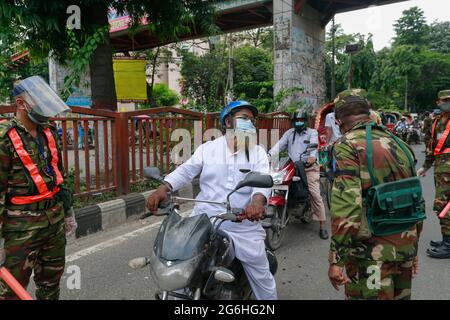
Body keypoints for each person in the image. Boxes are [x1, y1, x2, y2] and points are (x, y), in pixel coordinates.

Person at [146, 100, 277, 300]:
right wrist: (164, 187)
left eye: (252, 120)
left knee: (259, 269)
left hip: (241, 222)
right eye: (243, 118)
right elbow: (186, 170)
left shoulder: (257, 151)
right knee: (180, 268)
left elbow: (260, 181)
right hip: (203, 221)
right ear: (227, 122)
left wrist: (257, 202)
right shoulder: (208, 149)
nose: (249, 123)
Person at [328, 89, 423, 300]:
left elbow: (347, 208)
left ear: (338, 121)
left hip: (370, 254)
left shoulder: (347, 145)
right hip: (405, 246)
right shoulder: (400, 144)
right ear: (368, 112)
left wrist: (336, 259)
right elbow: (415, 200)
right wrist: (413, 247)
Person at [0, 76, 77, 300]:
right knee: (12, 292)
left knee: (50, 284)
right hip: (20, 229)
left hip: (53, 222)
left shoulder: (48, 132)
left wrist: (68, 211)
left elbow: (59, 176)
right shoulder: (4, 138)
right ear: (20, 103)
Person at [268, 111, 328, 239]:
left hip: (308, 168)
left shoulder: (312, 132)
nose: (298, 122)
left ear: (305, 121)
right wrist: (268, 155)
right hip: (292, 167)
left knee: (314, 194)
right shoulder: (289, 133)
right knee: (279, 186)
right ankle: (287, 209)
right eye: (296, 120)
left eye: (301, 120)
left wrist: (312, 157)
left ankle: (322, 225)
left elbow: (314, 148)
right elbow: (278, 147)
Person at [417, 90, 450, 259]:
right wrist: (425, 166)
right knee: (442, 205)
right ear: (438, 102)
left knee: (443, 206)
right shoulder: (436, 122)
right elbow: (433, 147)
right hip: (440, 171)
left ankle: (449, 244)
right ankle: (447, 239)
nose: (447, 102)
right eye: (445, 100)